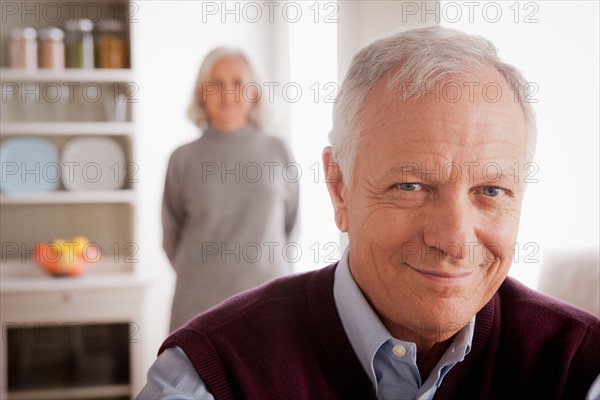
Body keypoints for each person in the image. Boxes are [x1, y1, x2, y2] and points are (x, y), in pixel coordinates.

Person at [139, 27, 600, 399]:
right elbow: (171, 231)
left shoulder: (579, 366)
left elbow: (288, 223)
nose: (455, 238)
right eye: (411, 185)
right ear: (339, 190)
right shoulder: (210, 373)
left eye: (492, 190)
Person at [162, 48, 299, 332]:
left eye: (238, 83)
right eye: (216, 83)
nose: (227, 93)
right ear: (202, 92)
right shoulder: (182, 158)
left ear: (254, 92)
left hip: (269, 305)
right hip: (197, 308)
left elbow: (291, 225)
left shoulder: (278, 150)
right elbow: (171, 237)